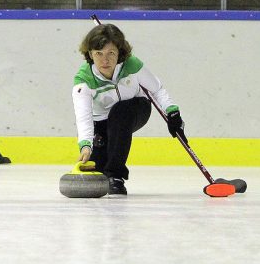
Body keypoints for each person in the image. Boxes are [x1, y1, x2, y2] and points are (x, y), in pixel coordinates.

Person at [71, 23, 184, 195]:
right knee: (98, 167)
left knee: (120, 112)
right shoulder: (83, 80)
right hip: (101, 121)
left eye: (111, 53)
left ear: (120, 53)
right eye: (98, 54)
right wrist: (85, 145)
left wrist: (172, 112)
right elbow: (84, 117)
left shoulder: (131, 65)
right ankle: (106, 170)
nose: (105, 60)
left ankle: (116, 176)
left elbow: (157, 89)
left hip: (134, 109)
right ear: (90, 54)